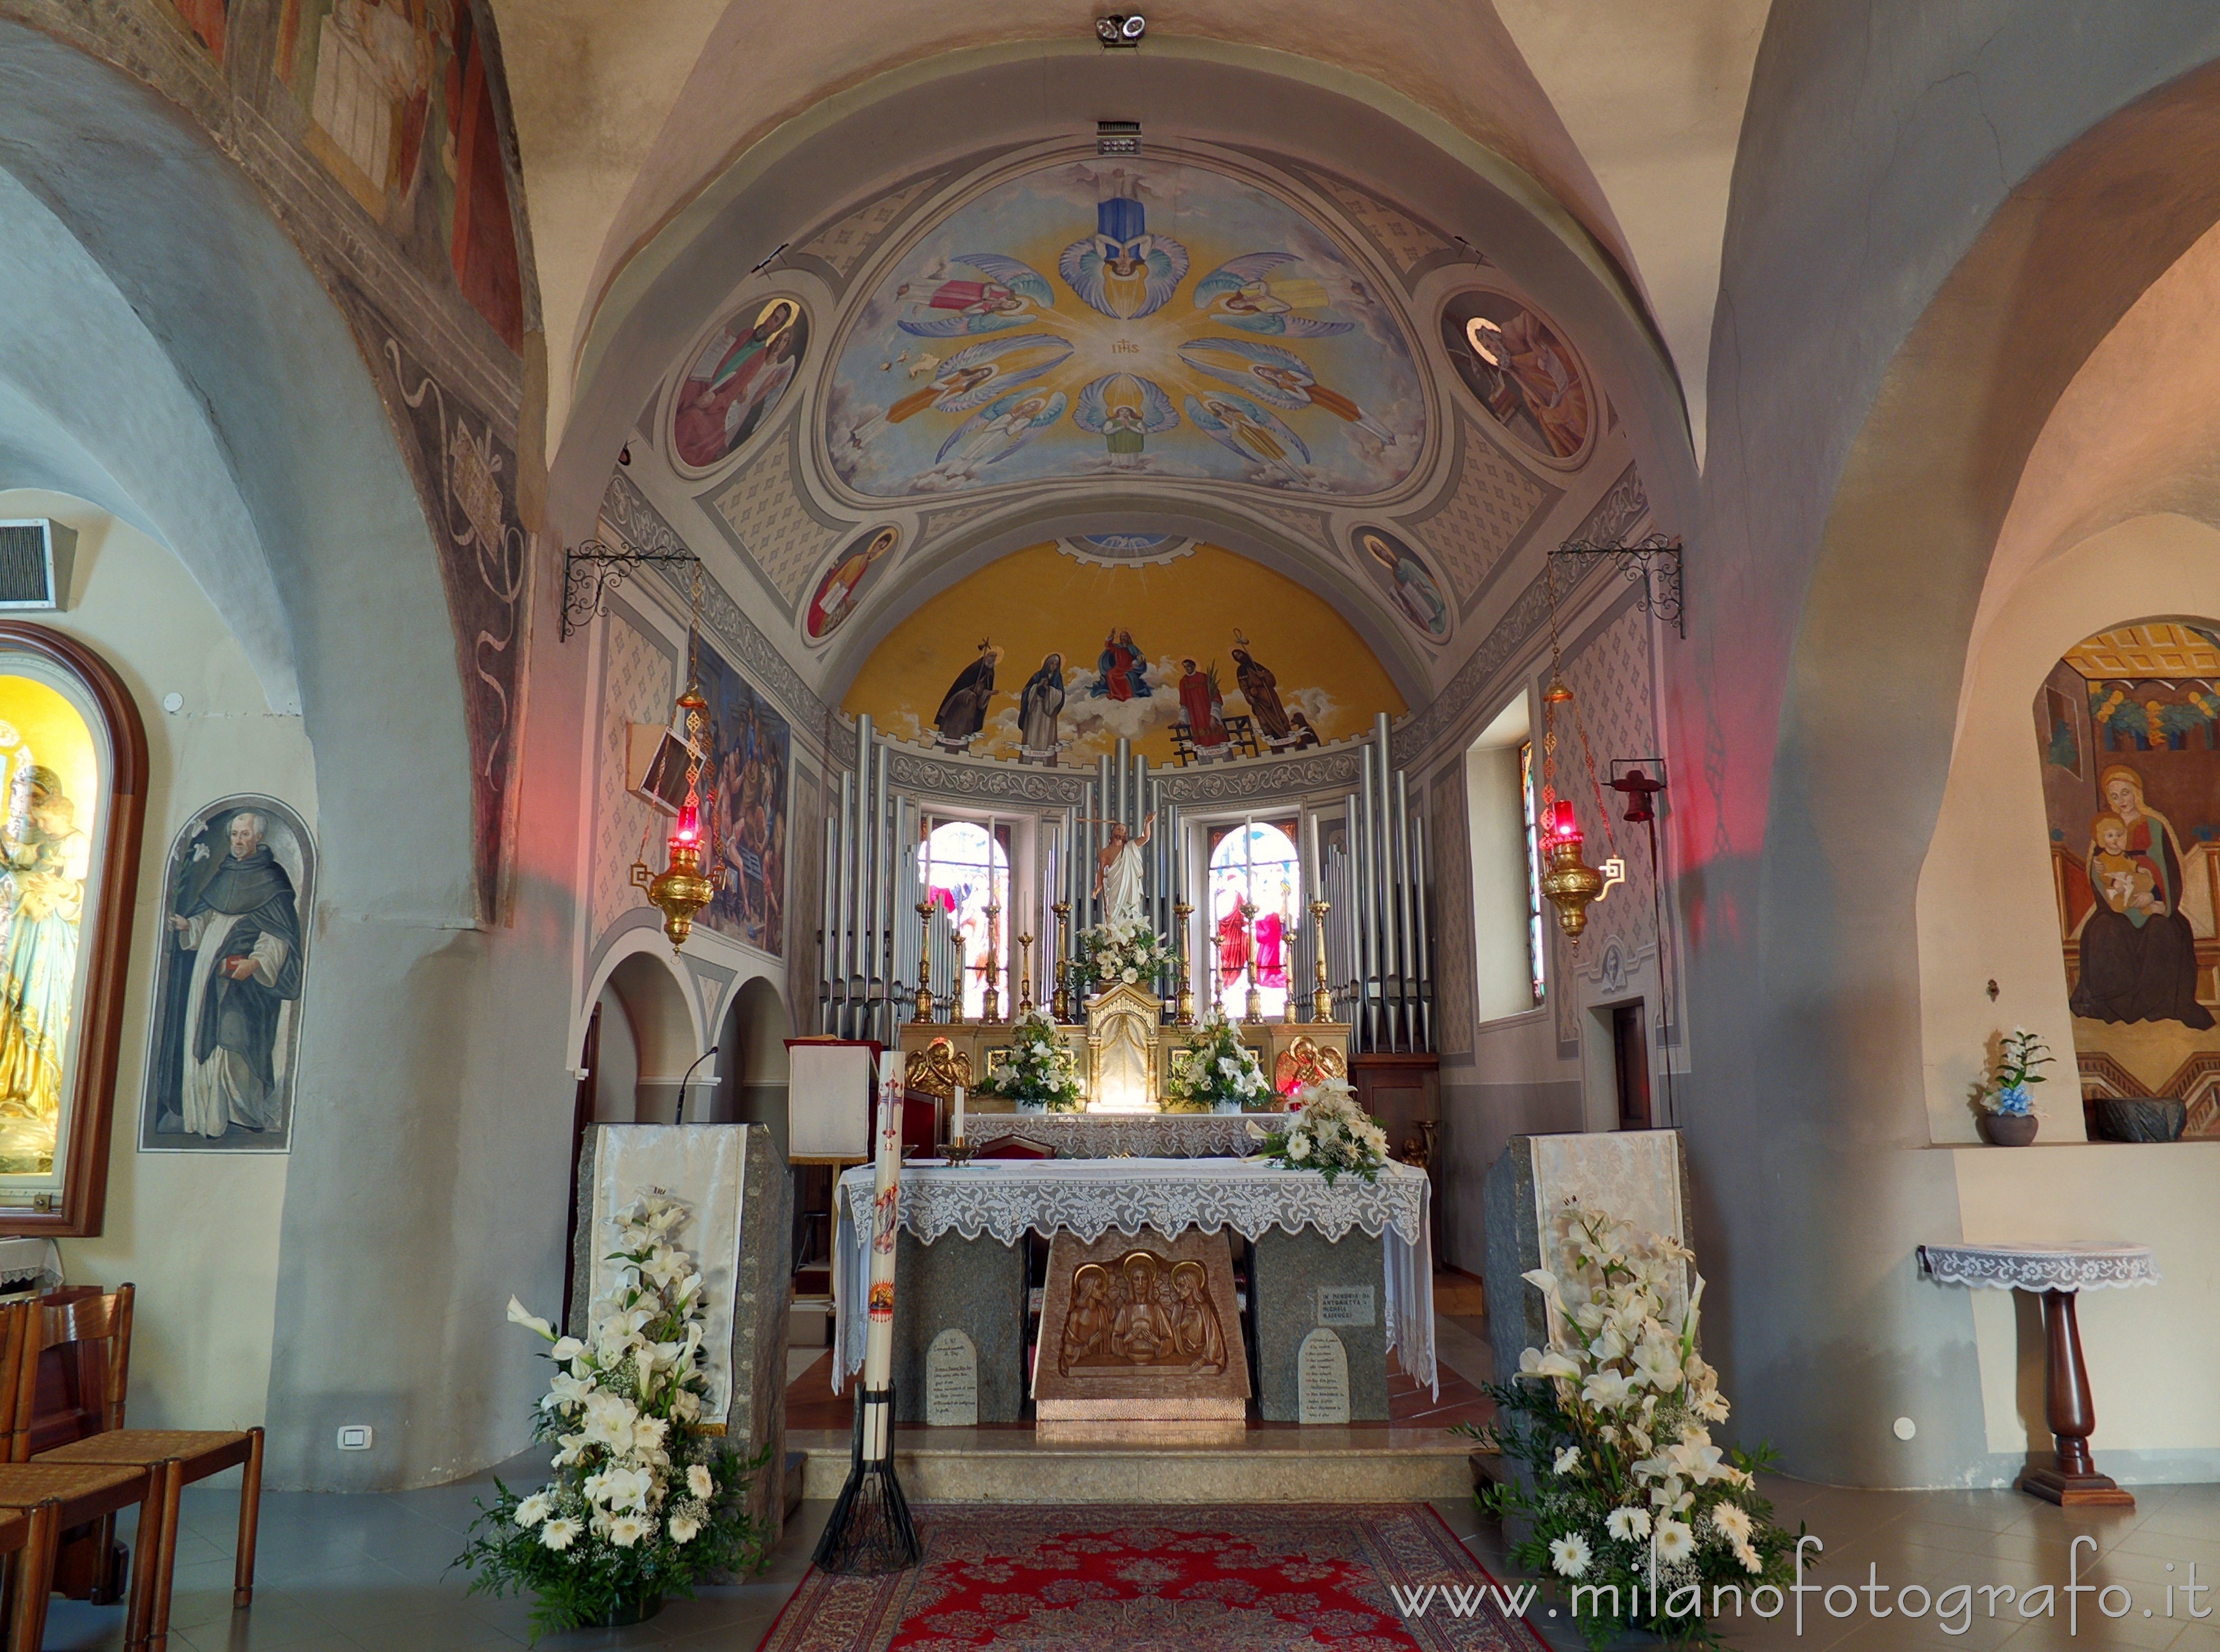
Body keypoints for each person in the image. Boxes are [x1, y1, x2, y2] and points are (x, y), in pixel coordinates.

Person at [168, 811, 306, 1137]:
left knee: (234, 1038)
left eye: (245, 835)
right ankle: (208, 1114)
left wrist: (257, 964)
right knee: (207, 1036)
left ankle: (241, 1112)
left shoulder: (273, 879)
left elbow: (280, 933)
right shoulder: (225, 873)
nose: (239, 841)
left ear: (259, 838)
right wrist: (191, 926)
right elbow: (210, 918)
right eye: (234, 835)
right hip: (208, 970)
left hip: (247, 982)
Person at [2070, 765, 2213, 1028]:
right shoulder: (2106, 827)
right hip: (2118, 907)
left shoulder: (2156, 825)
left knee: (2166, 929)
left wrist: (2161, 904)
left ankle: (2159, 1004)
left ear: (2136, 793)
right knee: (2103, 930)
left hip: (2155, 901)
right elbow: (2097, 872)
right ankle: (2114, 1002)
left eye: (2125, 793)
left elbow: (2170, 870)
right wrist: (2114, 893)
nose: (2121, 801)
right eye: (2114, 796)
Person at [0, 769, 85, 1158]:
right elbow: (22, 859)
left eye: (39, 804)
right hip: (19, 937)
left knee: (40, 1003)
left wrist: (60, 890)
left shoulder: (73, 843)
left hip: (51, 939)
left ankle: (37, 1094)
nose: (33, 814)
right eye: (25, 801)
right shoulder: (33, 842)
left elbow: (80, 889)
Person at [934, 642, 1003, 750]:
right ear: (985, 656)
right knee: (955, 724)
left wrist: (987, 693)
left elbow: (982, 690)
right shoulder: (976, 668)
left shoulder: (990, 672)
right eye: (991, 656)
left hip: (973, 706)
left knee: (966, 726)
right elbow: (961, 686)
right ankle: (947, 743)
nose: (993, 659)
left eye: (995, 657)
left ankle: (961, 746)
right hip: (960, 702)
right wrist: (971, 691)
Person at [1092, 813, 1154, 927]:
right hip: (1115, 887)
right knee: (1113, 915)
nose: (1121, 831)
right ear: (1113, 832)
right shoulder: (1106, 852)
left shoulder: (1130, 846)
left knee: (1130, 914)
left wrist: (1148, 824)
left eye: (1123, 830)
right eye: (1118, 829)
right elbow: (1100, 871)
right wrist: (1098, 887)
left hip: (1129, 887)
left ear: (1125, 834)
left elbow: (1146, 838)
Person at [1232, 643, 1291, 741]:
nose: (1239, 656)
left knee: (1278, 714)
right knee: (1263, 718)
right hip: (1257, 697)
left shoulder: (1256, 666)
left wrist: (1264, 676)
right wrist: (1249, 695)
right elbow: (1243, 686)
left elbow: (1272, 680)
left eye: (1239, 654)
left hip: (1268, 694)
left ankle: (1284, 734)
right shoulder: (1240, 671)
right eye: (1236, 656)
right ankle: (1272, 736)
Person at [1018, 653, 1065, 756]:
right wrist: (1037, 686)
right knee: (1033, 734)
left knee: (1046, 735)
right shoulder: (1037, 676)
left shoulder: (1058, 679)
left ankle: (1045, 758)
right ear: (1047, 664)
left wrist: (1049, 689)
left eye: (1056, 664)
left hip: (1049, 712)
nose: (1053, 666)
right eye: (1051, 663)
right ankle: (1030, 756)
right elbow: (1026, 691)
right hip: (1036, 709)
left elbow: (1061, 695)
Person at [1177, 658, 1227, 750]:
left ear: (1194, 666)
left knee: (1218, 742)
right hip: (1196, 719)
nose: (1187, 669)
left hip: (1209, 714)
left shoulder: (1205, 678)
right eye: (1185, 667)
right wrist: (1182, 719)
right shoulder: (1183, 682)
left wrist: (1214, 716)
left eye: (1188, 666)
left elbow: (1215, 698)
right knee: (1202, 746)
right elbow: (1184, 703)